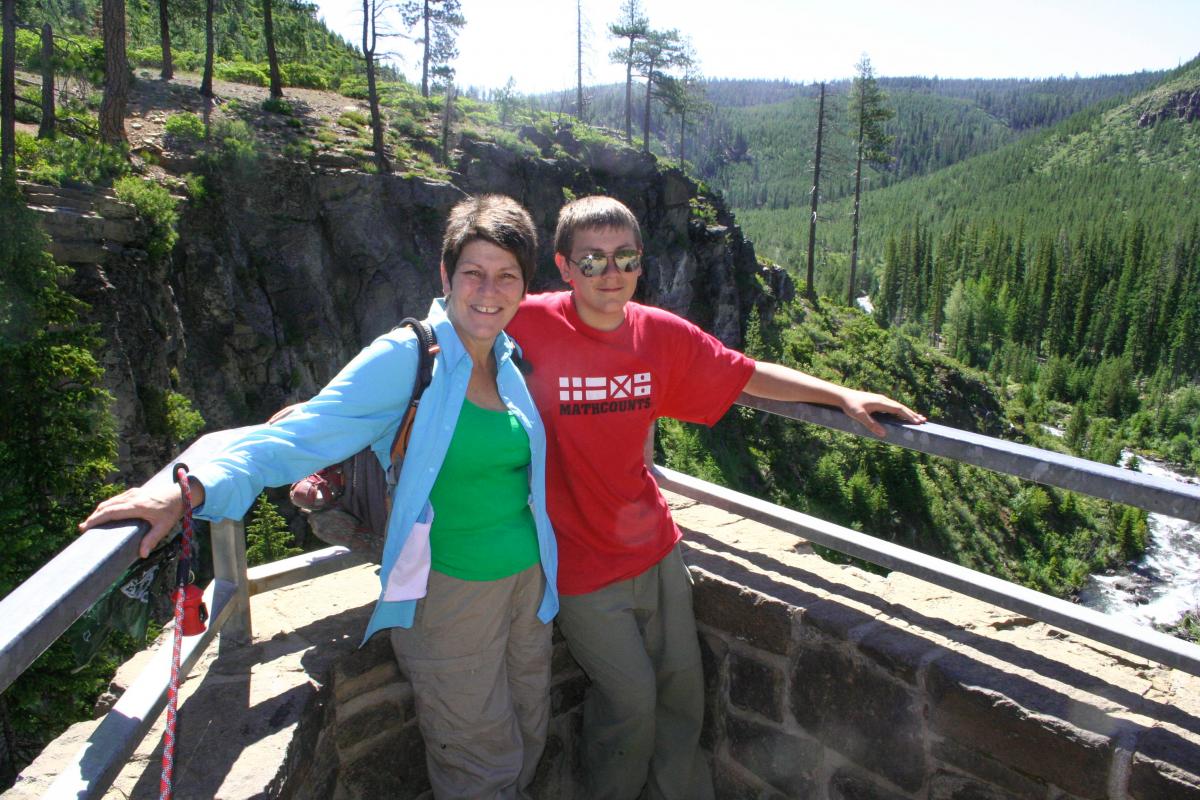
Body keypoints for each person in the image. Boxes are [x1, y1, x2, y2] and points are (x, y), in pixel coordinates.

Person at [81, 195, 559, 800]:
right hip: (449, 596)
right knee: (480, 766)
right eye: (474, 272)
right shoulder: (409, 357)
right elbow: (294, 438)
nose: (489, 290)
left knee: (530, 731)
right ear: (445, 275)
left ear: (524, 286)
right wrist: (185, 489)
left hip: (528, 586)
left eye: (507, 276)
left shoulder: (507, 359)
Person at [505, 195, 926, 800]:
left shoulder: (658, 334)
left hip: (655, 549)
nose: (611, 273)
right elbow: (460, 321)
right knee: (630, 702)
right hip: (578, 565)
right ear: (565, 267)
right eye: (592, 260)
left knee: (682, 696)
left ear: (641, 262)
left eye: (626, 258)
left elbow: (745, 372)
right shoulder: (527, 322)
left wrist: (840, 395)